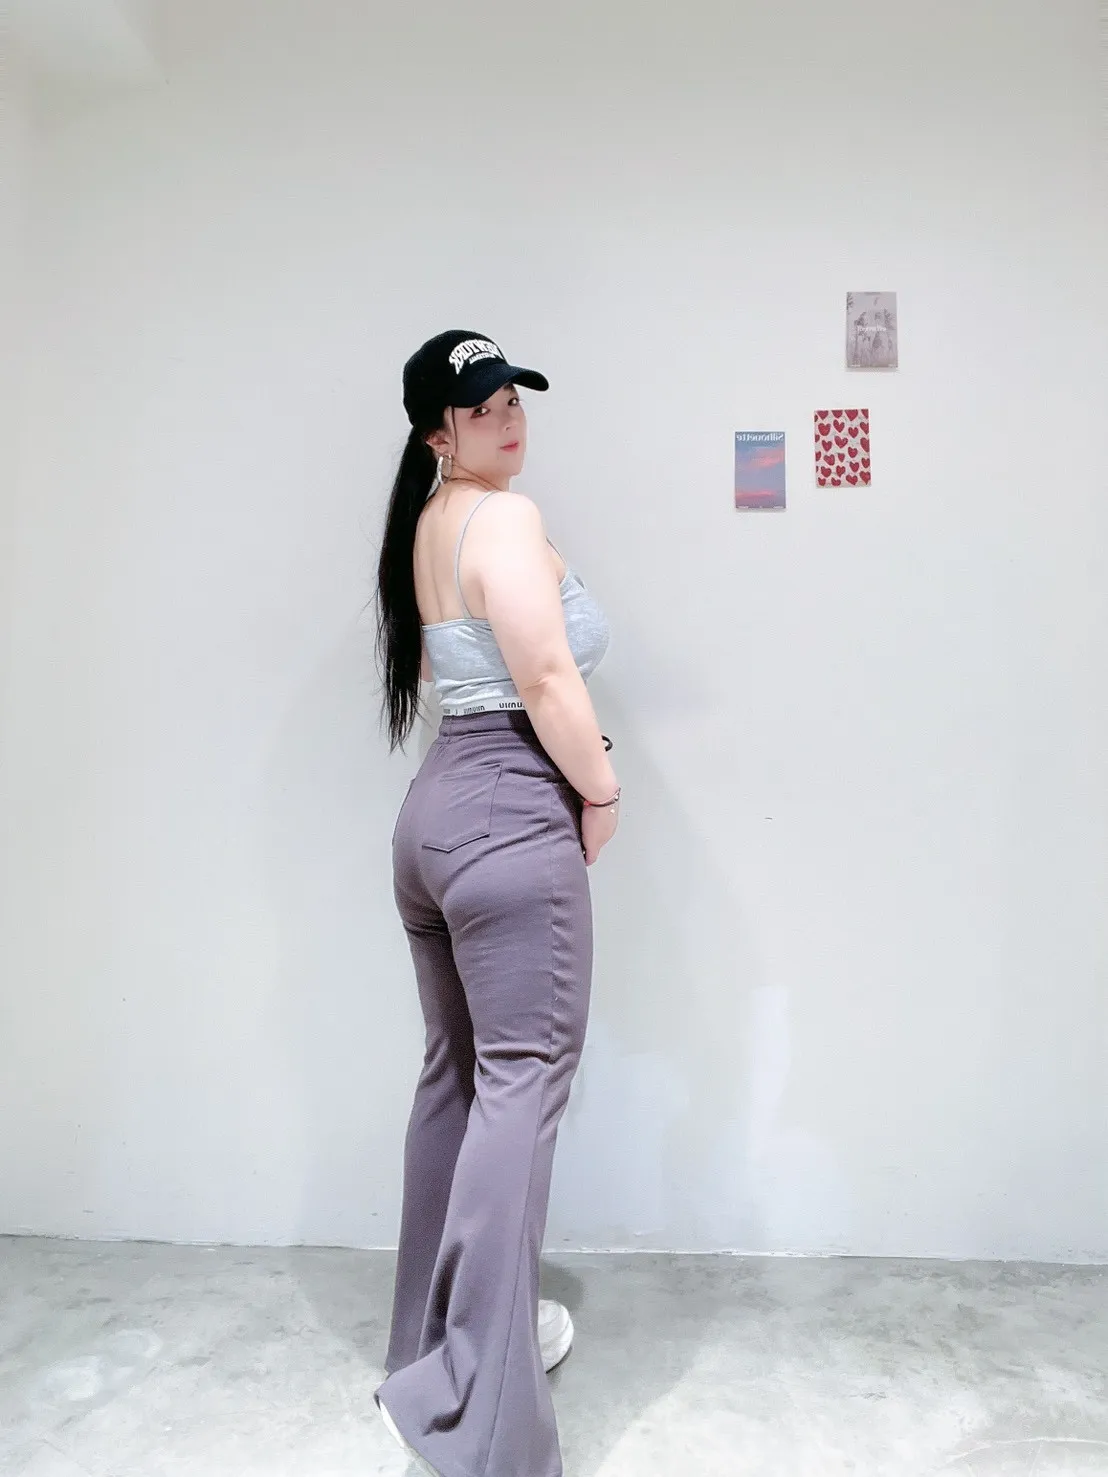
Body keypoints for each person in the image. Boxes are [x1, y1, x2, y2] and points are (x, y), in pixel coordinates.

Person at [371, 329, 620, 1477]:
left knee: (460, 1078)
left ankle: (437, 1348)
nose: (510, 417)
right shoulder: (504, 521)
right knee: (518, 1084)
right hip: (509, 813)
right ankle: (474, 1405)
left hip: (435, 813)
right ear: (439, 432)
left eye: (514, 396)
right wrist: (598, 787)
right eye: (483, 407)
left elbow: (453, 672)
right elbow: (546, 675)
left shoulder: (428, 524)